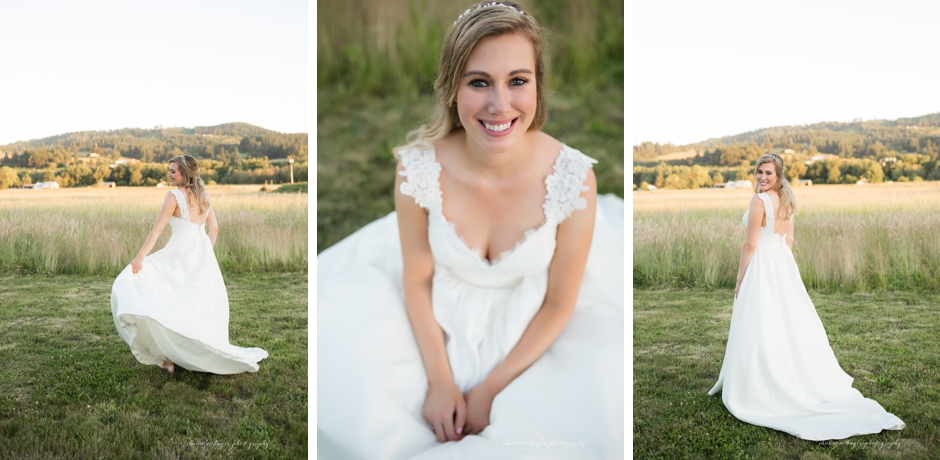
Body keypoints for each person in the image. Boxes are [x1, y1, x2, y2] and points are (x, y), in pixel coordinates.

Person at [317, 2, 624, 458]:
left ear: (537, 85)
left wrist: (489, 391)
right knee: (347, 366)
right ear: (452, 88)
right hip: (439, 308)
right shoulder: (416, 171)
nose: (500, 105)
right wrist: (440, 380)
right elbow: (418, 278)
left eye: (517, 80)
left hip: (532, 319)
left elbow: (561, 302)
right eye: (479, 82)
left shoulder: (573, 179)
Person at [708, 153, 905, 440]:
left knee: (760, 324)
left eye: (768, 173)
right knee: (788, 324)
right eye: (759, 172)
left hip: (763, 265)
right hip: (782, 263)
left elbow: (750, 244)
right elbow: (789, 241)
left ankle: (760, 383)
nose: (762, 177)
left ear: (779, 175)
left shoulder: (759, 201)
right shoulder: (788, 200)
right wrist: (786, 268)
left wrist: (741, 278)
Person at [111, 155, 268, 375]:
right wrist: (206, 253)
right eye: (170, 170)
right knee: (198, 302)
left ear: (185, 173)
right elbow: (214, 229)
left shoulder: (173, 196)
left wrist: (140, 258)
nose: (169, 174)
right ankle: (192, 351)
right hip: (202, 254)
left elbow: (157, 230)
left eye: (173, 171)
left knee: (167, 294)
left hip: (179, 253)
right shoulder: (204, 196)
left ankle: (168, 356)